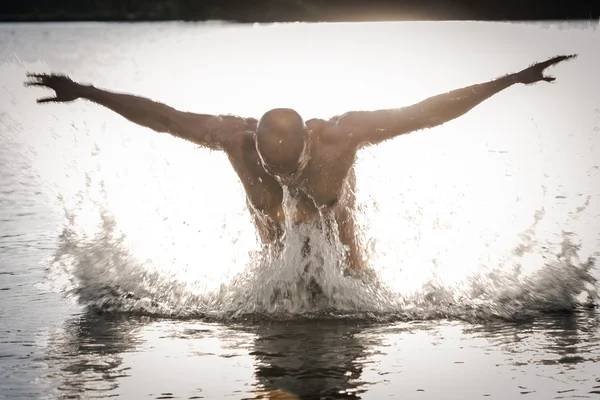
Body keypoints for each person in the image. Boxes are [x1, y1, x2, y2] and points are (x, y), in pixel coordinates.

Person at [25, 54, 576, 276]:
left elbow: (428, 112)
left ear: (309, 145)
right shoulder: (235, 141)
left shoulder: (342, 138)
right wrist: (86, 91)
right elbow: (163, 117)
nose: (285, 181)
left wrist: (509, 80)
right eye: (273, 168)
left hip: (349, 287)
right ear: (257, 146)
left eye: (293, 168)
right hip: (275, 287)